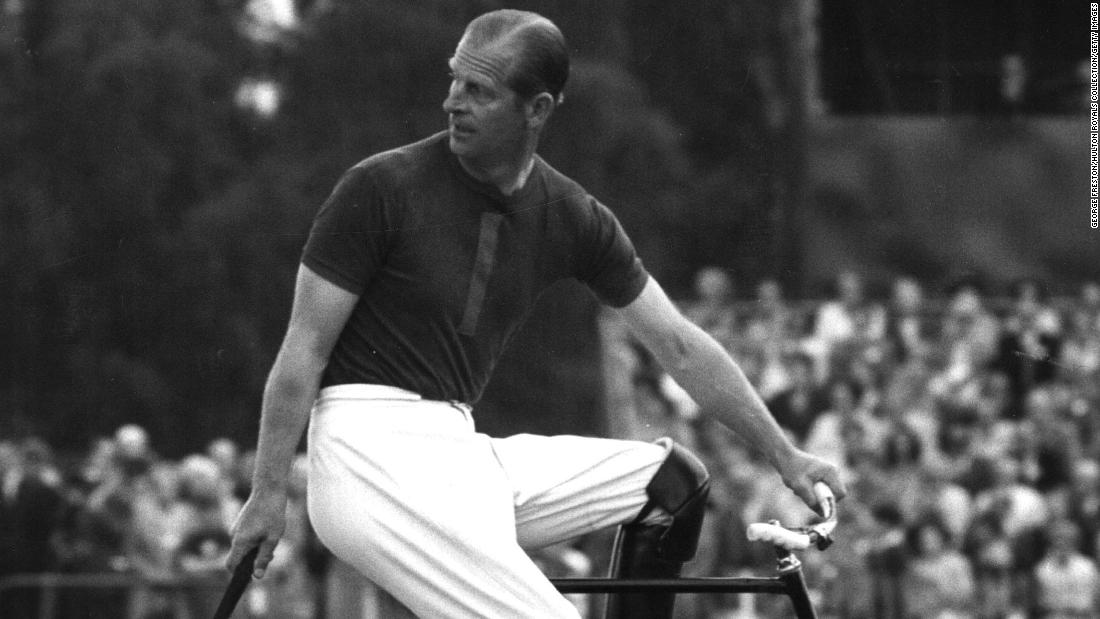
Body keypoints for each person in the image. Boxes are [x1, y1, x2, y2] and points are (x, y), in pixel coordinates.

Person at [226, 9, 845, 618]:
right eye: (454, 80)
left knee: (672, 484)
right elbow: (302, 351)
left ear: (538, 109)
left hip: (455, 451)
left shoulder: (572, 214)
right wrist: (267, 492)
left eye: (478, 90)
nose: (452, 102)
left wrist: (785, 455)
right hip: (364, 456)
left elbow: (679, 346)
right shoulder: (379, 187)